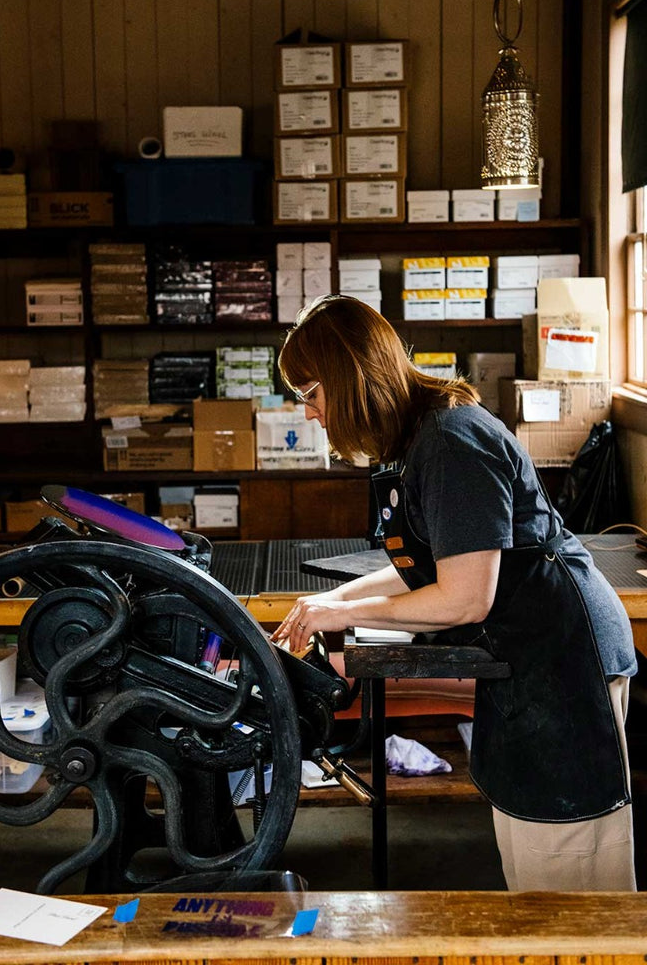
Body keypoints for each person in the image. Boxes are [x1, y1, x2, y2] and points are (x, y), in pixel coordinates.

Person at [272, 294, 637, 892]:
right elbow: (432, 566)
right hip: (527, 656)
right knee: (533, 859)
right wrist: (322, 608)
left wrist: (343, 609)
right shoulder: (420, 435)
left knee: (570, 864)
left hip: (565, 658)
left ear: (346, 378)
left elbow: (463, 598)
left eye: (310, 394)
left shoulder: (449, 443)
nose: (309, 413)